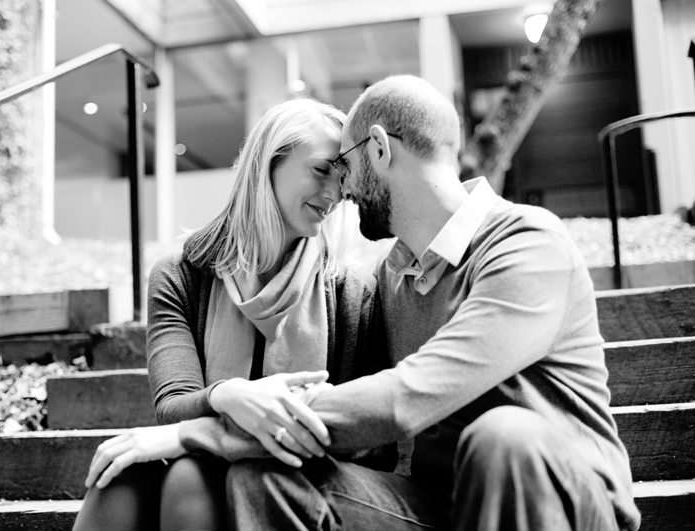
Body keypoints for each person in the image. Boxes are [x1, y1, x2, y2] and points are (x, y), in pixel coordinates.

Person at [212, 75, 642, 530]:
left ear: (378, 149)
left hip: (561, 501)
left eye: (346, 165)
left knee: (503, 437)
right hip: (442, 509)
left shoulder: (527, 243)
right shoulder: (390, 277)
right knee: (265, 478)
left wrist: (203, 432)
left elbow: (407, 397)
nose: (342, 191)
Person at [72, 97, 392, 531]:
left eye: (342, 177)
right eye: (321, 170)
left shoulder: (350, 291)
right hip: (202, 460)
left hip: (298, 477)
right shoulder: (179, 276)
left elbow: (371, 442)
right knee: (123, 472)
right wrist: (226, 395)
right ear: (266, 165)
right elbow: (173, 406)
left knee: (187, 475)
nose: (335, 194)